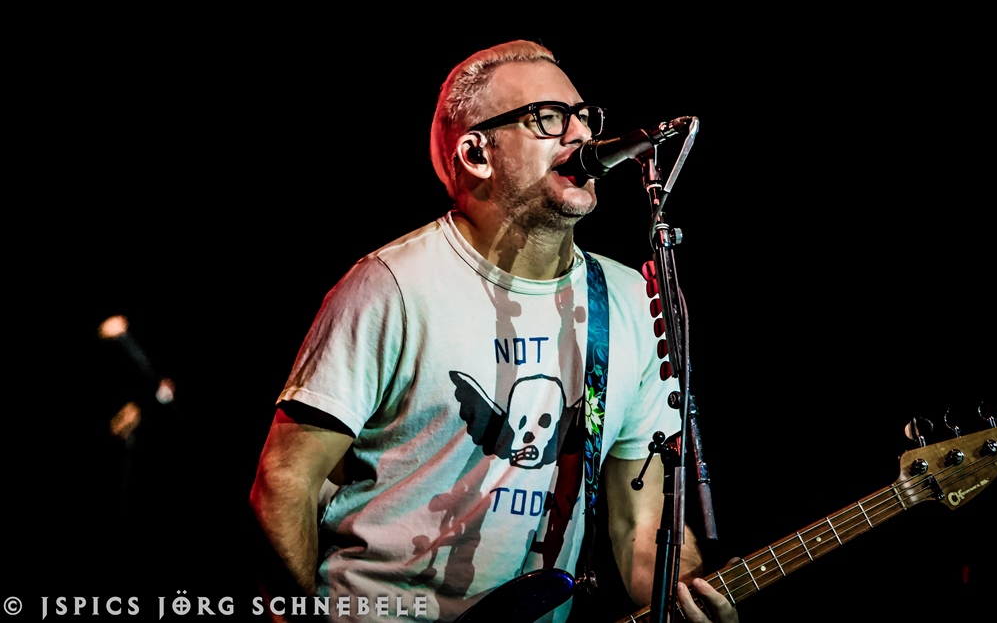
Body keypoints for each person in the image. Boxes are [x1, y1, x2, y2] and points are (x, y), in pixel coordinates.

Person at [249, 39, 738, 623]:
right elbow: (285, 480)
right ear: (478, 154)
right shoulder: (394, 286)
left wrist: (690, 596)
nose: (581, 134)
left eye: (584, 116)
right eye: (548, 118)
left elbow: (640, 525)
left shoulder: (630, 299)